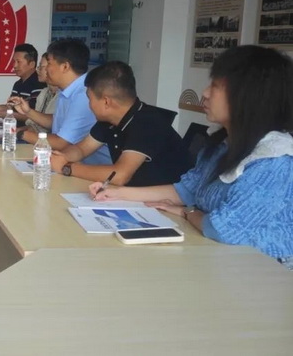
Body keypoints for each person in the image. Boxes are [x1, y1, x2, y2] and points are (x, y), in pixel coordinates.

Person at [90, 45, 293, 269]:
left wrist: (188, 212)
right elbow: (185, 190)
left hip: (267, 272)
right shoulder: (222, 144)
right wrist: (117, 193)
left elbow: (222, 229)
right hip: (217, 257)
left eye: (215, 86)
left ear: (248, 96)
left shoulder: (274, 159)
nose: (205, 93)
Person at [50, 61, 191, 186]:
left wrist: (67, 168)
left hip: (170, 203)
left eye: (90, 99)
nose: (89, 105)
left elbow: (120, 175)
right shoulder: (108, 120)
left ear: (106, 102)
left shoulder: (147, 122)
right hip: (132, 196)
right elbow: (81, 149)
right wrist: (57, 158)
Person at [15, 39, 110, 163]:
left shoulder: (84, 94)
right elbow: (58, 122)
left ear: (65, 66)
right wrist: (28, 111)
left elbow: (62, 143)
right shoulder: (66, 90)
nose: (45, 69)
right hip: (67, 161)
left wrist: (21, 134)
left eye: (49, 63)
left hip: (91, 169)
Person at [0, 43, 44, 121]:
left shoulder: (39, 85)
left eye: (18, 62)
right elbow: (10, 107)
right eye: (14, 61)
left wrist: (9, 115)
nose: (14, 65)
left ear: (32, 64)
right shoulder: (18, 84)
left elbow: (35, 117)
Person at [13, 52, 59, 137]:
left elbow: (53, 124)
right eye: (39, 67)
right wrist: (17, 131)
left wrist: (28, 112)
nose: (38, 70)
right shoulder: (44, 92)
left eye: (41, 67)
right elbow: (36, 126)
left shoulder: (64, 95)